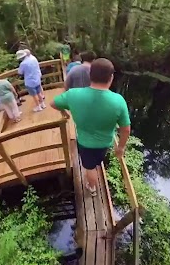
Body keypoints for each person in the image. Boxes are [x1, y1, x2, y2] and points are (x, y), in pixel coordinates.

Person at [51, 58, 130, 196]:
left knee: (89, 167)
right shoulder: (119, 100)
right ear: (111, 78)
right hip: (105, 143)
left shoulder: (73, 94)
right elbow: (125, 129)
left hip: (85, 143)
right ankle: (96, 167)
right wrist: (121, 147)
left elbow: (53, 103)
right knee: (97, 161)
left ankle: (92, 188)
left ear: (90, 75)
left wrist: (64, 112)